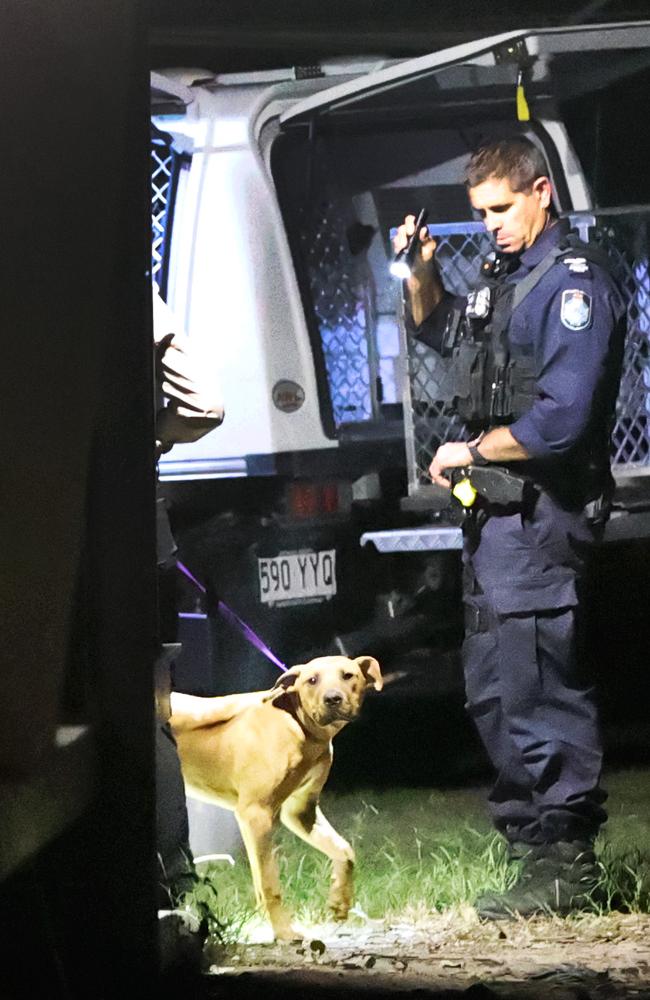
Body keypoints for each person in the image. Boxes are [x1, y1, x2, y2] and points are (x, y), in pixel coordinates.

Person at [394, 137, 627, 919]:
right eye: (479, 213)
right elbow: (447, 338)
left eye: (501, 208)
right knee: (496, 683)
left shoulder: (574, 284)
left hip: (540, 515)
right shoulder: (509, 280)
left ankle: (567, 862)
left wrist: (471, 448)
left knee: (536, 681)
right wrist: (422, 273)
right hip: (495, 519)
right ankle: (532, 854)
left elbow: (562, 420)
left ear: (540, 195)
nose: (489, 225)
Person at [152, 284, 224, 962]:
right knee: (152, 719)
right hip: (144, 536)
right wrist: (148, 437)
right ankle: (178, 893)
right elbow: (207, 405)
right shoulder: (134, 291)